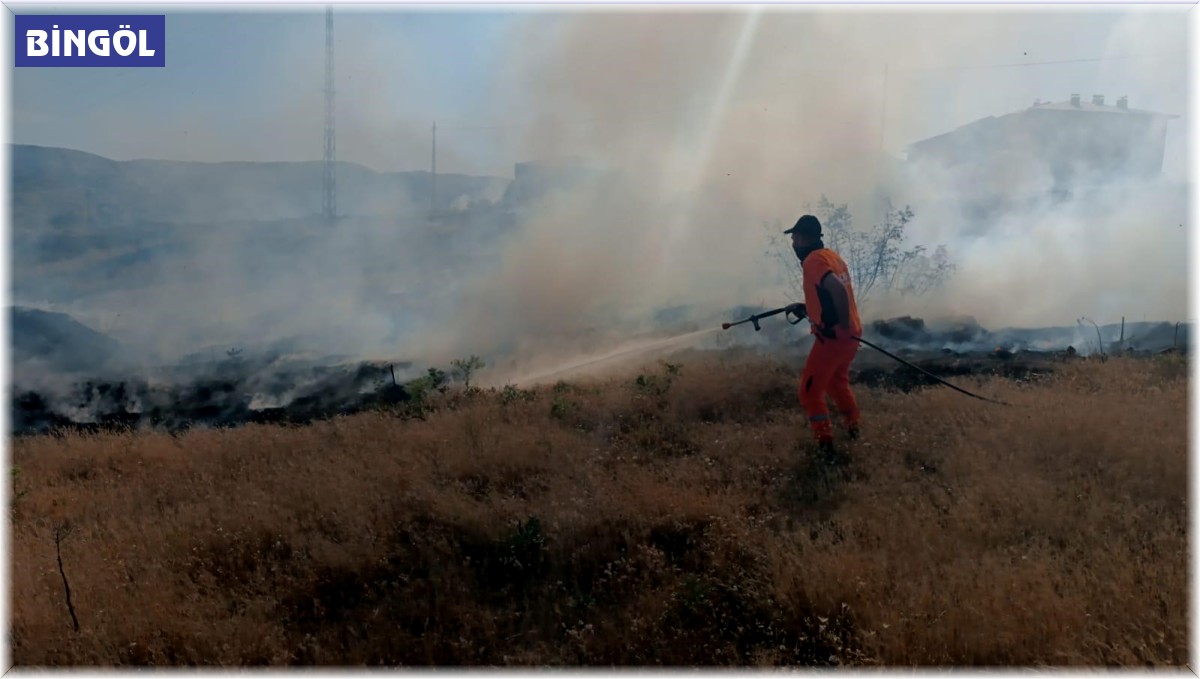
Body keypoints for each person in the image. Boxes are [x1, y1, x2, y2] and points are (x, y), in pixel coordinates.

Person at [783, 214, 863, 460]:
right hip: (851, 335)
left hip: (834, 338)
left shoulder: (813, 261)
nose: (793, 242)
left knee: (809, 392)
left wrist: (838, 325)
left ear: (803, 238)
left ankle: (826, 448)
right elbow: (828, 295)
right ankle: (854, 429)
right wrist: (808, 307)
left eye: (794, 237)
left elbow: (836, 289)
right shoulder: (831, 256)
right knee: (837, 383)